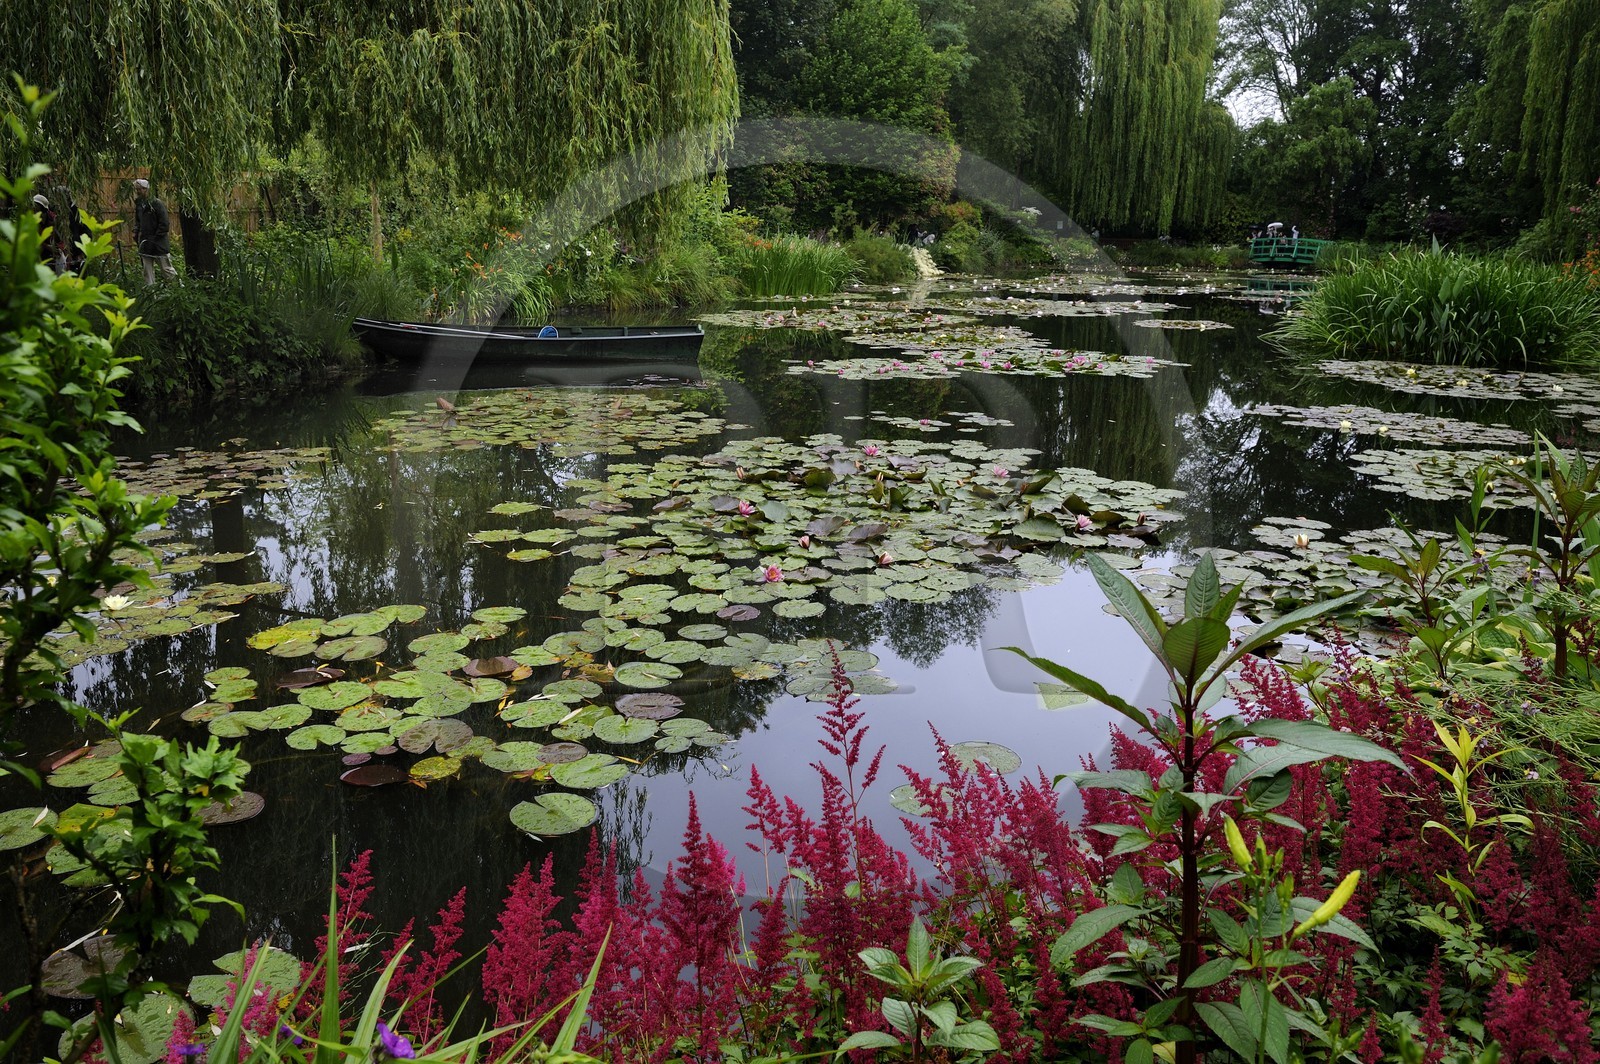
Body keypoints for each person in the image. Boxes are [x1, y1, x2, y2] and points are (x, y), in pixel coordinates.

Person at [132, 178, 176, 283]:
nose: (138, 191)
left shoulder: (157, 204)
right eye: (137, 189)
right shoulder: (139, 204)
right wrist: (136, 232)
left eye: (140, 189)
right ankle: (150, 291)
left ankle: (177, 288)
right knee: (147, 270)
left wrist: (156, 238)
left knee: (166, 269)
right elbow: (138, 221)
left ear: (146, 189)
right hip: (145, 242)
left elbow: (164, 223)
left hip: (158, 242)